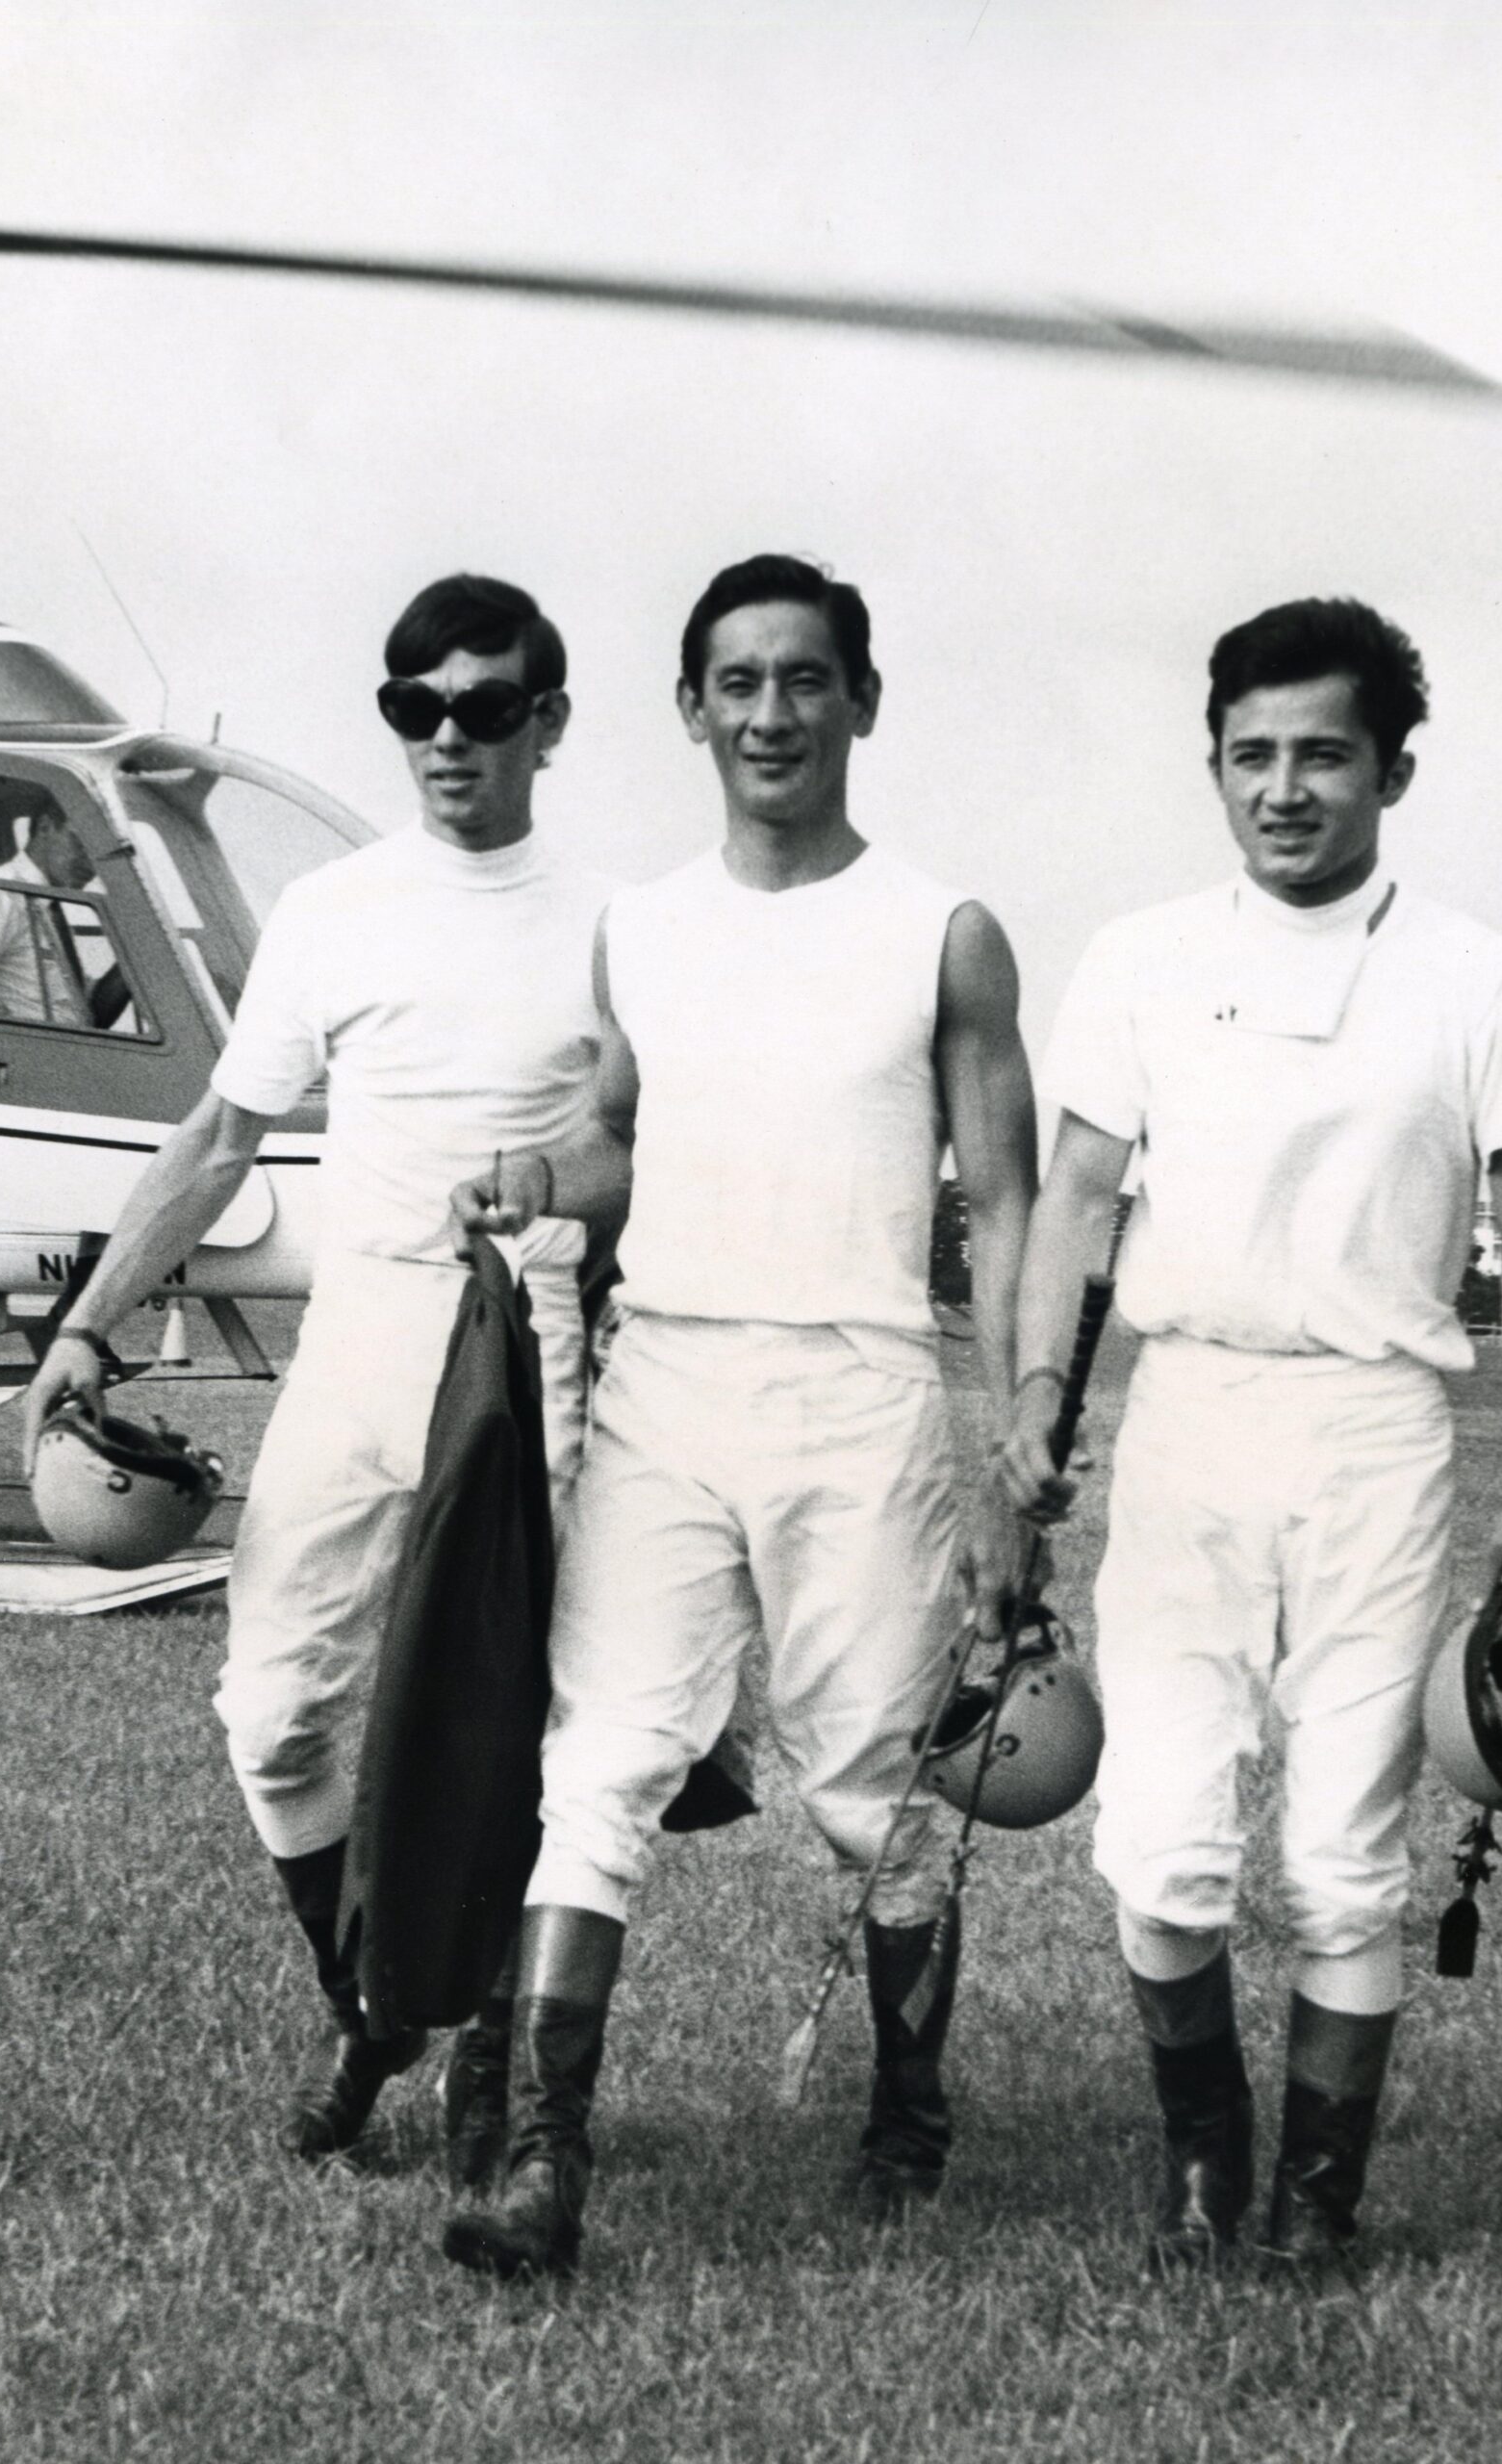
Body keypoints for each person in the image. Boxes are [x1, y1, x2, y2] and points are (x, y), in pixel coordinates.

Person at [440, 552, 1038, 2280]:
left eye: (804, 679)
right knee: (604, 1754)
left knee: (866, 1787)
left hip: (859, 1397)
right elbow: (628, 1140)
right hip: (670, 1386)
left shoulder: (945, 933)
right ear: (691, 708)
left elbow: (999, 1201)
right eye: (737, 682)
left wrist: (1015, 1439)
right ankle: (546, 2165)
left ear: (861, 698)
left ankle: (908, 2109)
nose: (770, 712)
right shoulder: (645, 926)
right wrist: (539, 1176)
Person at [997, 598, 1502, 2281]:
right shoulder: (1144, 958)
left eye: (1321, 753)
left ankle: (1316, 2206)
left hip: (1375, 1435)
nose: (1283, 788)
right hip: (1188, 1422)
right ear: (1214, 769)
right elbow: (1080, 1203)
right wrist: (1038, 1403)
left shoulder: (1482, 978)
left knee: (1342, 1856)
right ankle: (1205, 2161)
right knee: (1162, 1839)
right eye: (1249, 756)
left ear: (1393, 768)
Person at [16, 573, 610, 2177]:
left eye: (484, 708)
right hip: (362, 1342)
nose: (447, 738)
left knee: (506, 1732)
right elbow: (219, 1137)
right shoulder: (339, 913)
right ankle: (374, 2009)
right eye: (413, 708)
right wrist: (86, 1325)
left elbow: (654, 1160)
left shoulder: (616, 925)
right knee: (275, 1715)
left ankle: (493, 2070)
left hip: (533, 1350)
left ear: (547, 723)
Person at [0, 794, 129, 1028]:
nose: (91, 865)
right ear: (45, 826)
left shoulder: (48, 908)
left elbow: (89, 1015)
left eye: (99, 854)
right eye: (81, 844)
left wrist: (138, 957)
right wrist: (6, 1034)